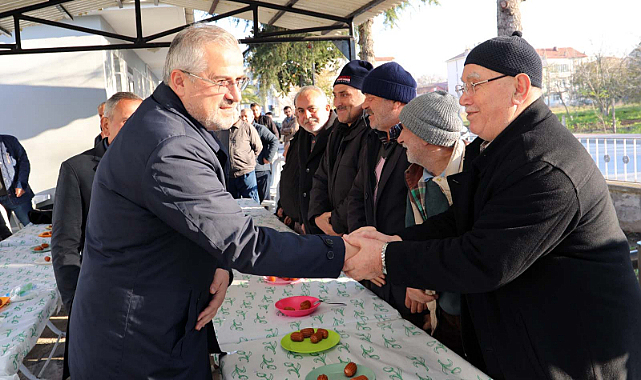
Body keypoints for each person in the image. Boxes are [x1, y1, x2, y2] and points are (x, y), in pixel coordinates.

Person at [343, 32, 641, 379]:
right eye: (462, 87)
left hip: (571, 357)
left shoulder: (544, 163)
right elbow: (461, 220)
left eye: (474, 85)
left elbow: (484, 260)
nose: (464, 100)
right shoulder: (495, 147)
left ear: (519, 87)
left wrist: (383, 258)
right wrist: (393, 241)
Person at [69, 25, 354, 380]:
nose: (235, 94)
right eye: (221, 82)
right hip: (136, 348)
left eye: (239, 79)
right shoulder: (168, 143)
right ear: (180, 81)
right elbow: (244, 243)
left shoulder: (176, 122)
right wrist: (347, 253)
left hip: (163, 326)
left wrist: (217, 263)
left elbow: (190, 222)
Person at [51, 91, 142, 380]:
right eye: (127, 121)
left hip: (148, 304)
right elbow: (65, 244)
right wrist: (76, 303)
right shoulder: (77, 170)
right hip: (100, 304)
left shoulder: (156, 164)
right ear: (106, 126)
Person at [345, 62, 420, 327]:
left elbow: (430, 218)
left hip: (406, 279)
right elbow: (356, 195)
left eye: (371, 98)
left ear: (397, 103)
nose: (364, 105)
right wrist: (363, 248)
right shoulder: (373, 140)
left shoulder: (420, 145)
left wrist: (416, 275)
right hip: (373, 272)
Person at [395, 91, 467, 356]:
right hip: (440, 310)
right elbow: (413, 234)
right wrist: (412, 279)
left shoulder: (476, 174)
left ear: (427, 138)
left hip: (473, 315)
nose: (399, 138)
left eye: (406, 130)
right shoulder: (415, 176)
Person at [308, 60, 373, 236]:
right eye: (335, 95)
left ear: (365, 96)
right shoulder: (337, 129)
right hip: (331, 230)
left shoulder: (372, 132)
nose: (338, 102)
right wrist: (318, 216)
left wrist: (334, 223)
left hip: (356, 233)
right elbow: (321, 176)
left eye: (344, 94)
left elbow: (361, 190)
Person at [293, 86, 336, 234]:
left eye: (312, 109)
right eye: (301, 111)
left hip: (331, 226)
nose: (307, 115)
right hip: (309, 224)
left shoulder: (339, 134)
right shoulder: (304, 135)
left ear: (327, 108)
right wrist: (303, 218)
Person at [214, 111, 262, 203]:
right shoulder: (221, 128)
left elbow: (258, 147)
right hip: (228, 174)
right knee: (231, 203)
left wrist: (247, 159)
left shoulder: (247, 127)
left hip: (246, 173)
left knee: (252, 202)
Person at [240, 108, 278, 202]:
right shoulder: (239, 130)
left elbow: (274, 140)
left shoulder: (260, 129)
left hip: (261, 169)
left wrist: (268, 157)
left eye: (246, 116)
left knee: (264, 200)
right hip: (246, 170)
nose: (244, 119)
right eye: (241, 116)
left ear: (252, 117)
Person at [0, 134, 34, 229]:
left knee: (32, 227)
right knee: (3, 235)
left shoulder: (9, 141)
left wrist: (21, 184)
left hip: (17, 196)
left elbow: (24, 162)